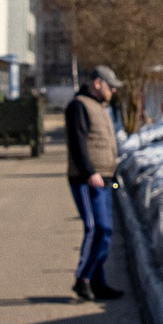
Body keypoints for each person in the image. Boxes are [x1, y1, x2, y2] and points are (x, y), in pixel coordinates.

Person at [63, 64, 124, 301]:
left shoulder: (100, 107)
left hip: (106, 179)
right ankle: (83, 279)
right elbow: (78, 142)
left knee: (106, 230)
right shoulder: (79, 106)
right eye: (111, 86)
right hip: (87, 180)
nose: (114, 91)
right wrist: (89, 172)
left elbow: (104, 144)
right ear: (98, 83)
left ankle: (98, 282)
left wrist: (114, 179)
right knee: (96, 228)